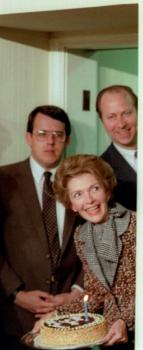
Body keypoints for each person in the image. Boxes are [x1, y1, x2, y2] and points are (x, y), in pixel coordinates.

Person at [0, 106, 82, 349]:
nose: (50, 141)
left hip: (71, 317)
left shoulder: (82, 181)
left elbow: (97, 242)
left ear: (67, 140)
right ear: (29, 138)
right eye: (42, 133)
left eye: (58, 135)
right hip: (15, 318)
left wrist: (76, 292)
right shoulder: (3, 181)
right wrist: (16, 293)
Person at [37, 154, 136, 347]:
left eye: (94, 188)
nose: (89, 200)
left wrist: (125, 320)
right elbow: (97, 294)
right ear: (71, 205)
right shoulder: (81, 236)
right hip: (109, 337)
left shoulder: (135, 224)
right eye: (78, 194)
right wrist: (57, 315)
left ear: (107, 191)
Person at [96, 85, 138, 211]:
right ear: (102, 121)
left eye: (126, 113)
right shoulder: (99, 170)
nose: (121, 124)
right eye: (111, 117)